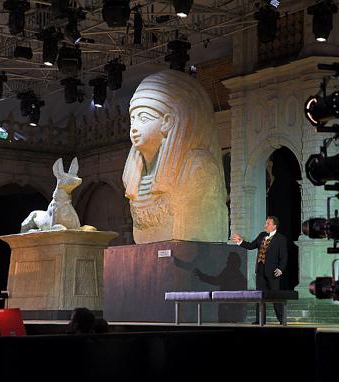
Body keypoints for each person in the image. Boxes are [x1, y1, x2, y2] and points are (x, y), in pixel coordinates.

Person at [122, 69, 228, 244]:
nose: (134, 127)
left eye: (144, 118)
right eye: (133, 119)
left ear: (167, 122)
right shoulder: (135, 176)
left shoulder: (197, 166)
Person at [232, 216, 287, 324]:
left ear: (274, 226)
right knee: (260, 296)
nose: (265, 225)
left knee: (275, 296)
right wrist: (240, 241)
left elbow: (284, 256)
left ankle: (281, 319)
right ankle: (260, 319)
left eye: (268, 224)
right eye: (266, 223)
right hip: (260, 271)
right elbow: (251, 245)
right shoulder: (262, 235)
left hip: (273, 272)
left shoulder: (281, 239)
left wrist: (281, 269)